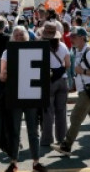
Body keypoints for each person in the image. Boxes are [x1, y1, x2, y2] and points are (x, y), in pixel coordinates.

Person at [52, 26, 90, 156]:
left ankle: (66, 145)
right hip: (87, 90)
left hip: (89, 91)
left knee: (75, 116)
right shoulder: (79, 51)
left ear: (82, 38)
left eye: (74, 37)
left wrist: (83, 71)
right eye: (71, 37)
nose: (71, 39)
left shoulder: (89, 52)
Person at [0, 25, 47, 172]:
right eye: (16, 34)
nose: (19, 36)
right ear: (12, 37)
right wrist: (4, 74)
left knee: (33, 130)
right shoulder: (7, 52)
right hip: (15, 95)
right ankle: (13, 162)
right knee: (14, 130)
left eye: (22, 34)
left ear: (27, 35)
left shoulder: (36, 50)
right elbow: (1, 76)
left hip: (31, 95)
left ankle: (36, 162)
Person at [39, 21, 70, 150]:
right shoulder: (62, 46)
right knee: (61, 111)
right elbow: (67, 64)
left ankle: (47, 139)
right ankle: (62, 138)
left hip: (48, 81)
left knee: (48, 112)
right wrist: (59, 70)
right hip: (62, 79)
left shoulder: (40, 46)